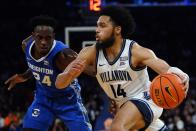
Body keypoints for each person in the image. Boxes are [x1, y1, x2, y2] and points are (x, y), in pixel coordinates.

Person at [55, 6, 190, 131]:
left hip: (147, 99)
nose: (97, 30)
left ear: (117, 29)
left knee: (117, 127)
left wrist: (182, 75)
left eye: (102, 26)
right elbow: (59, 84)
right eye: (97, 26)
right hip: (123, 106)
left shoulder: (135, 51)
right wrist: (69, 75)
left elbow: (165, 68)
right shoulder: (90, 52)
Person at [4, 15, 92, 131]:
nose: (44, 42)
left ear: (53, 37)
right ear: (33, 36)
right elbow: (37, 66)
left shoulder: (64, 55)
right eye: (39, 37)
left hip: (68, 100)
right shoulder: (26, 45)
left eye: (48, 38)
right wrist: (23, 76)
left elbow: (92, 71)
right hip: (43, 99)